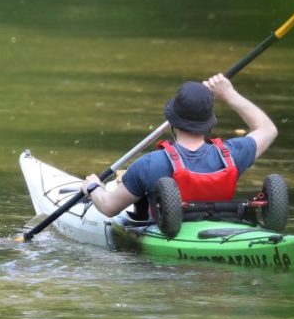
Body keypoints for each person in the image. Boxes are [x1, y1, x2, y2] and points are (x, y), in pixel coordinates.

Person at [80, 73, 278, 218]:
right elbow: (268, 129)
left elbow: (108, 207)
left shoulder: (150, 164)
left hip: (168, 245)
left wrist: (93, 187)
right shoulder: (233, 155)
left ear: (172, 121)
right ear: (209, 122)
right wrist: (229, 94)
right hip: (222, 232)